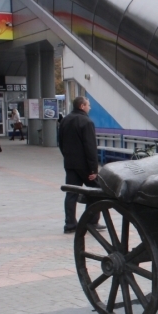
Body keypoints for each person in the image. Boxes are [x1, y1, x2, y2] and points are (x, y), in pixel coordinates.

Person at [59, 97, 102, 233]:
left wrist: (67, 156)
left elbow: (60, 142)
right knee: (96, 191)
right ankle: (91, 221)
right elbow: (90, 147)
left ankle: (70, 224)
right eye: (88, 105)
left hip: (70, 163)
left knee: (71, 193)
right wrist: (93, 169)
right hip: (84, 165)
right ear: (82, 106)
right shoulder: (86, 122)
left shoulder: (65, 120)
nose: (90, 107)